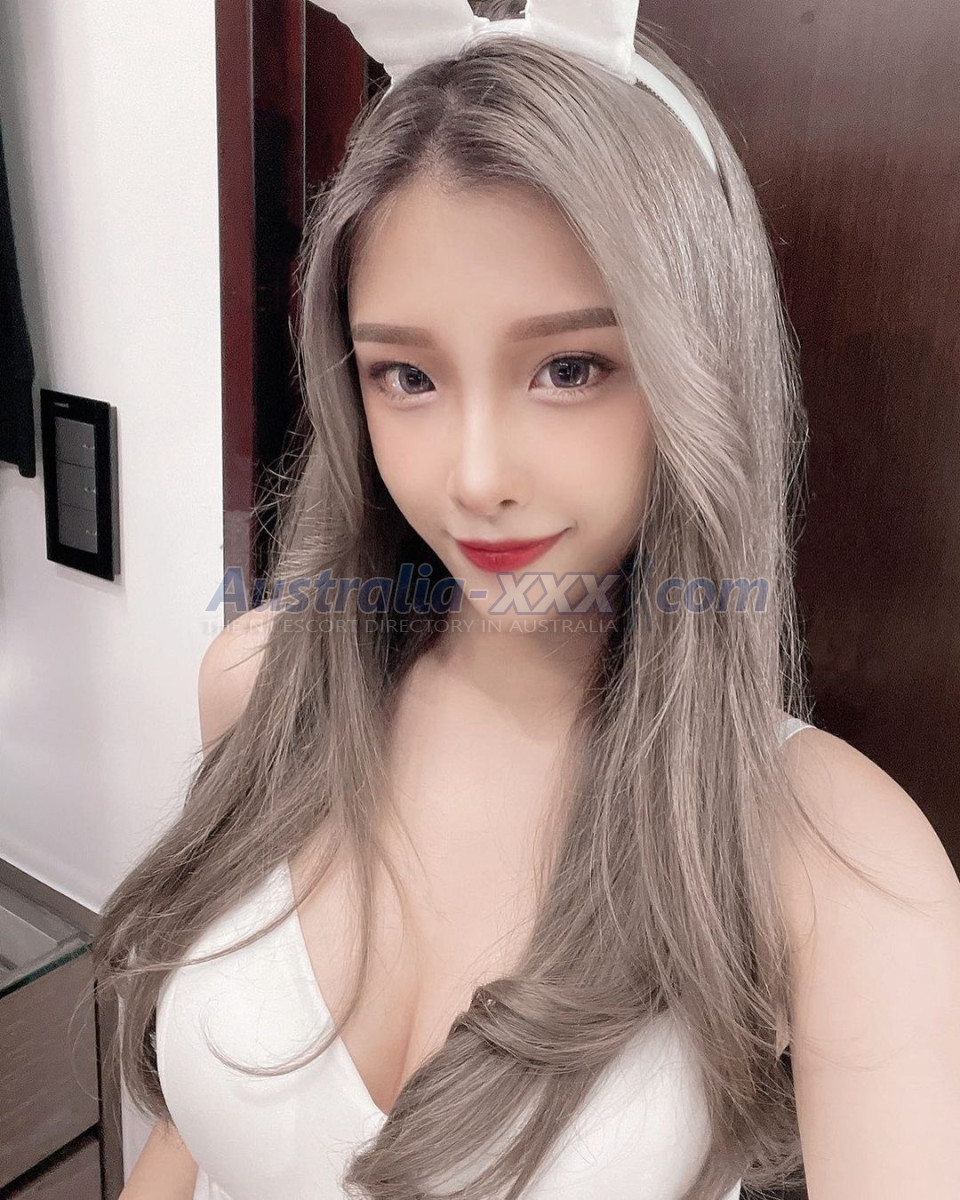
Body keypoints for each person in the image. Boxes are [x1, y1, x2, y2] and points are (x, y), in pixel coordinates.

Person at [97, 2, 960, 1198]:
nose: (475, 476)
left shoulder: (831, 860)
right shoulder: (258, 684)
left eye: (569, 368)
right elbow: (195, 1137)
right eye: (407, 375)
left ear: (696, 373)